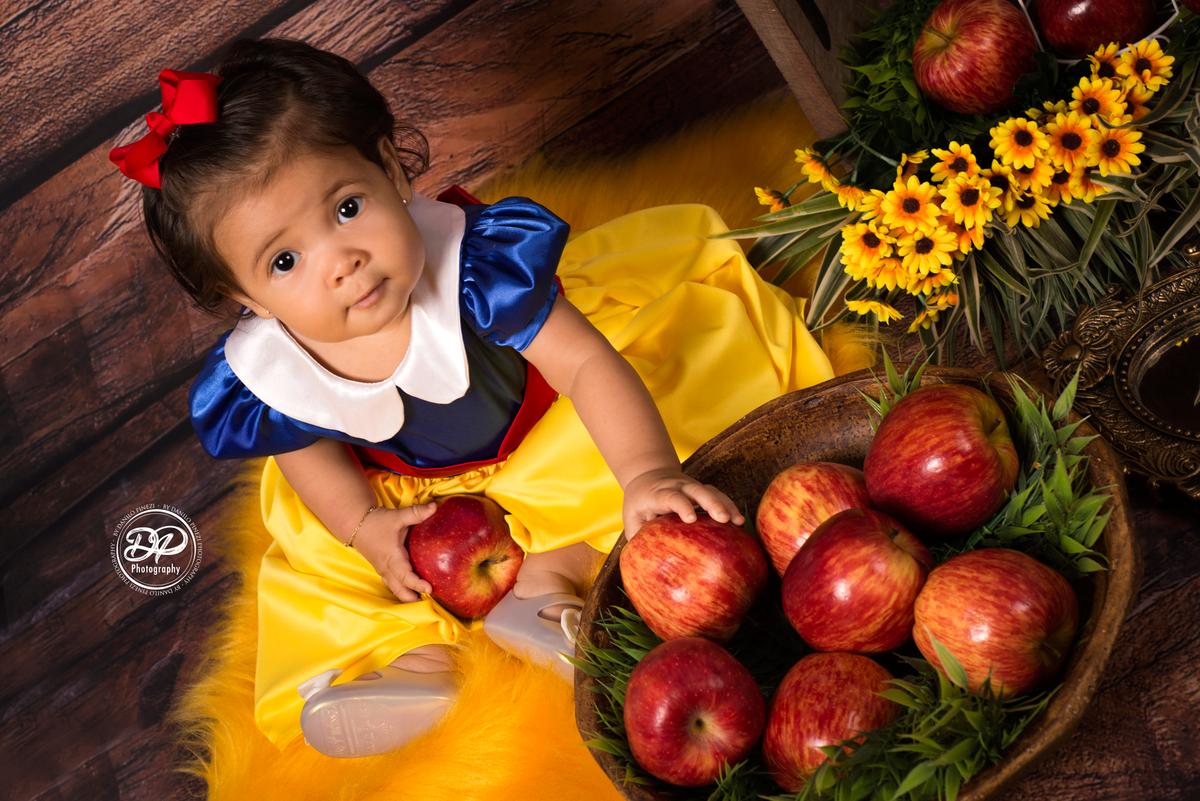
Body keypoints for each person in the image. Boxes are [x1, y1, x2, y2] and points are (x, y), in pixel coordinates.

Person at [111, 38, 834, 758]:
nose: (341, 262)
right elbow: (307, 453)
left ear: (391, 169)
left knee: (657, 414)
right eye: (285, 260)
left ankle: (553, 576)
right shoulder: (271, 363)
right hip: (414, 489)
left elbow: (585, 366)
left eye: (347, 207)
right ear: (247, 298)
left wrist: (646, 471)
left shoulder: (477, 271)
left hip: (544, 423)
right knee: (332, 559)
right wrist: (364, 525)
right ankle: (410, 667)